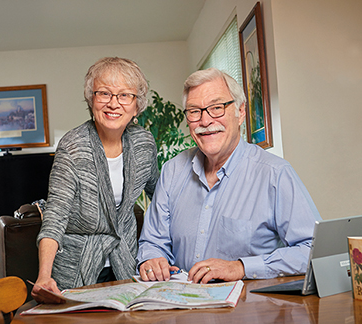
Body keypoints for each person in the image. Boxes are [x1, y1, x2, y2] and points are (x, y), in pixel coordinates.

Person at [137, 68, 321, 284]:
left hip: (249, 309)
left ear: (240, 112)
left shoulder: (274, 174)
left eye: (216, 108)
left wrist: (242, 267)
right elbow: (152, 241)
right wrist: (152, 259)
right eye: (195, 111)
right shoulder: (172, 171)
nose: (205, 121)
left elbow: (312, 250)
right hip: (183, 308)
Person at [31, 57, 159, 300]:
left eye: (125, 95)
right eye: (104, 93)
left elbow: (162, 198)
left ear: (137, 105)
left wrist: (162, 253)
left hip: (127, 263)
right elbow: (56, 214)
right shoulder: (73, 146)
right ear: (91, 100)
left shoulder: (144, 144)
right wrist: (44, 275)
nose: (114, 104)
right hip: (77, 267)